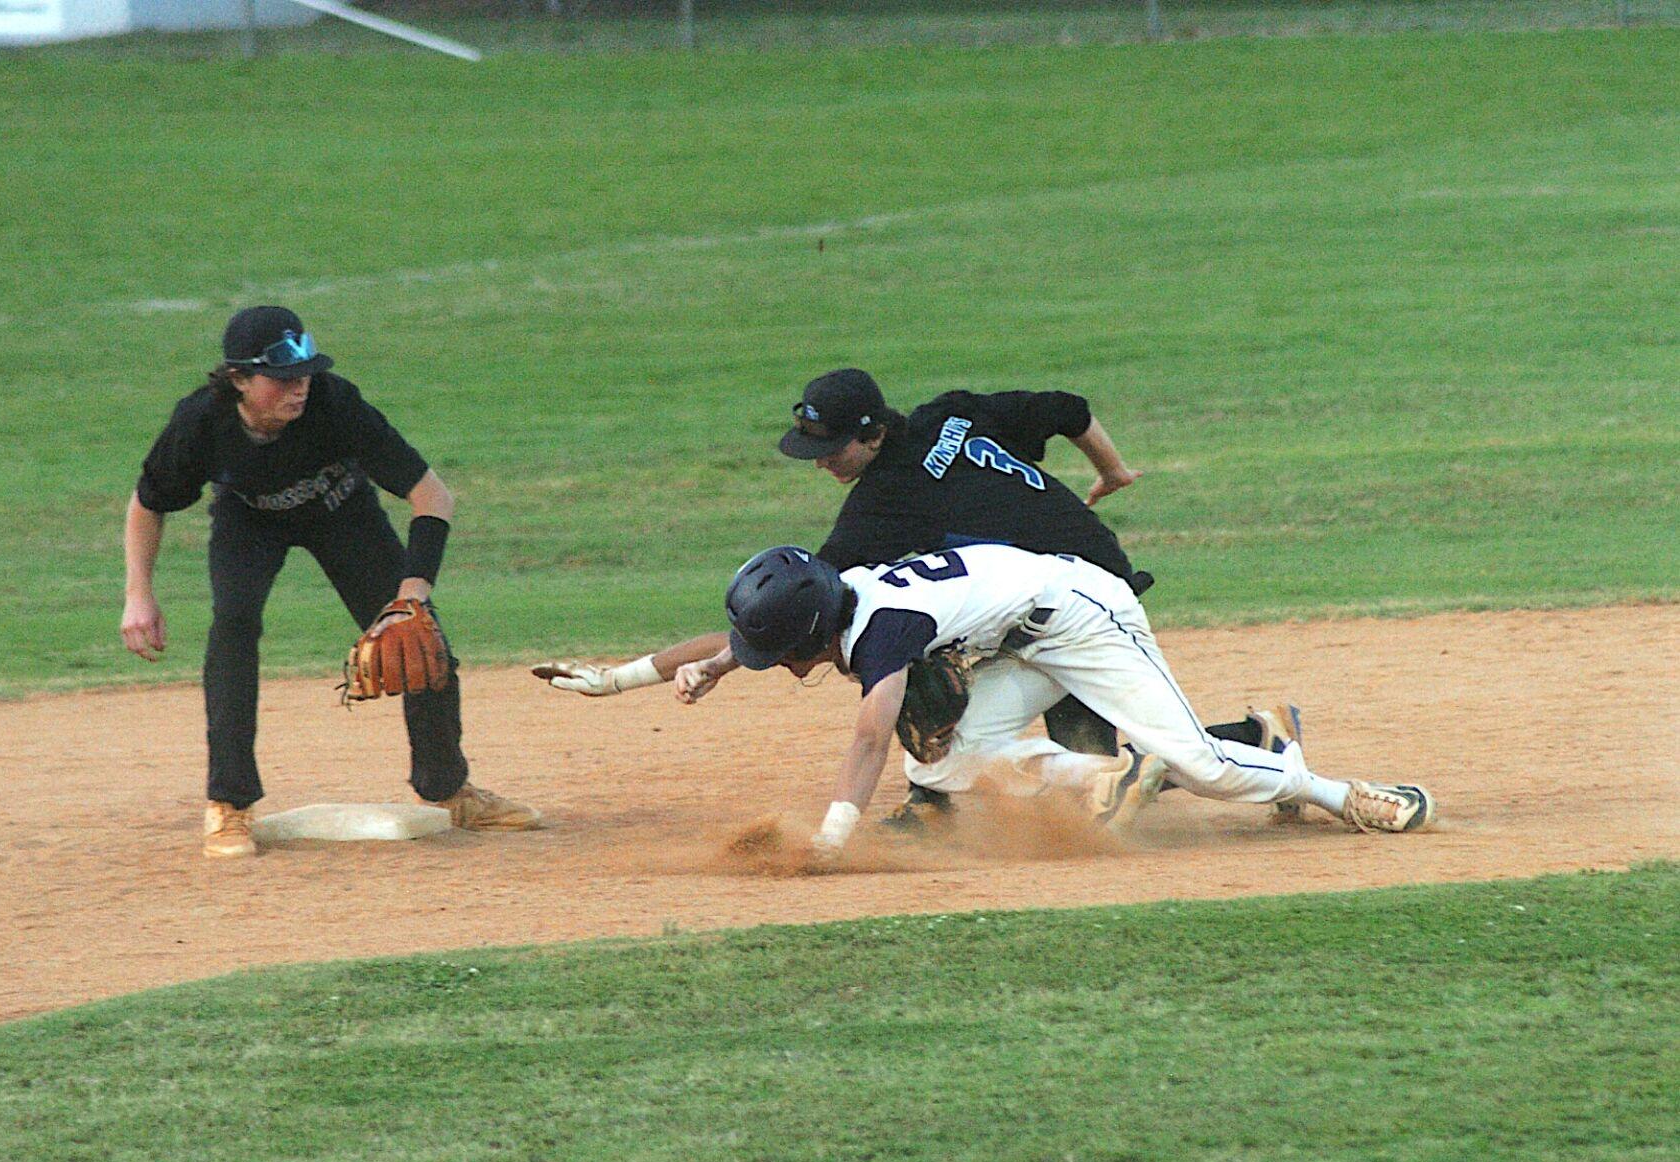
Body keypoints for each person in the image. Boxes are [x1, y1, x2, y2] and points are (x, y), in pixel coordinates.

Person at [536, 368, 1297, 821]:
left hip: (1072, 607)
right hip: (1081, 580)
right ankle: (936, 802)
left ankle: (1256, 742)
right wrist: (1112, 472)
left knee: (1092, 774)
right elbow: (1066, 408)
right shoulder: (951, 413)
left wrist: (643, 675)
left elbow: (798, 612)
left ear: (870, 435)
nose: (820, 463)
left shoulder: (881, 504)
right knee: (1062, 748)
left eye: (830, 448)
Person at [682, 544, 1432, 863]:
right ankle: (1108, 775)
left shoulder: (882, 633)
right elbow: (784, 631)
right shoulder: (845, 591)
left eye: (779, 655)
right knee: (939, 763)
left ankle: (1340, 793)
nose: (781, 667)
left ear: (813, 633)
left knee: (1202, 767)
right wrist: (717, 664)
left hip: (1084, 620)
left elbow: (868, 741)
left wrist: (830, 841)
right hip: (1022, 640)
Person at [120, 306, 542, 858]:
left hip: (343, 512)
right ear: (239, 379)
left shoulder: (335, 403)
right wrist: (139, 594)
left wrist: (412, 595)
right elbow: (148, 503)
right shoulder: (201, 422)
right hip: (249, 521)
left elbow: (433, 496)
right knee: (233, 628)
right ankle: (229, 804)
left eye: (305, 374)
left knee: (420, 637)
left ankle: (449, 790)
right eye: (282, 378)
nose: (299, 387)